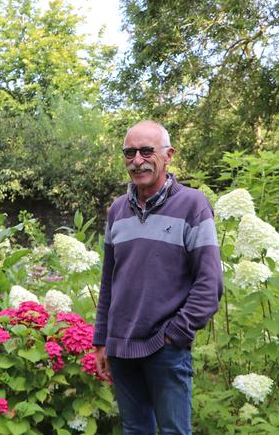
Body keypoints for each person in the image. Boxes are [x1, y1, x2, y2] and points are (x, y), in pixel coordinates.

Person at [93, 120, 223, 435]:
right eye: (129, 153)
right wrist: (101, 340)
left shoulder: (192, 206)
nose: (137, 160)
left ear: (168, 155)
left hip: (165, 348)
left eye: (146, 151)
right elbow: (109, 282)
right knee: (135, 430)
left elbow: (210, 284)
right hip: (121, 349)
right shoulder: (117, 211)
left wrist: (174, 334)